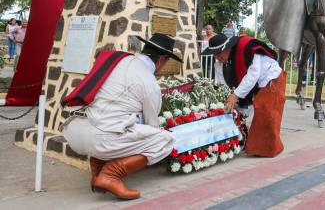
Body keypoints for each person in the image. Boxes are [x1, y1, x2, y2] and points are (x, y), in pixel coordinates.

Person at [63, 33, 180, 200]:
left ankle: (97, 171)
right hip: (100, 139)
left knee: (117, 123)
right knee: (165, 140)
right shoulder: (149, 82)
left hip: (74, 130)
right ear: (162, 60)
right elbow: (152, 126)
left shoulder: (118, 60)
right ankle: (110, 175)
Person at [203, 33, 286, 157]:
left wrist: (235, 95)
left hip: (271, 78)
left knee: (266, 117)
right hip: (255, 86)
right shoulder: (219, 63)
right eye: (214, 54)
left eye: (219, 53)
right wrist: (225, 99)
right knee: (239, 114)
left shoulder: (246, 48)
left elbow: (253, 75)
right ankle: (244, 141)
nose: (217, 57)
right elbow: (222, 84)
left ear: (228, 48)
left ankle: (267, 149)